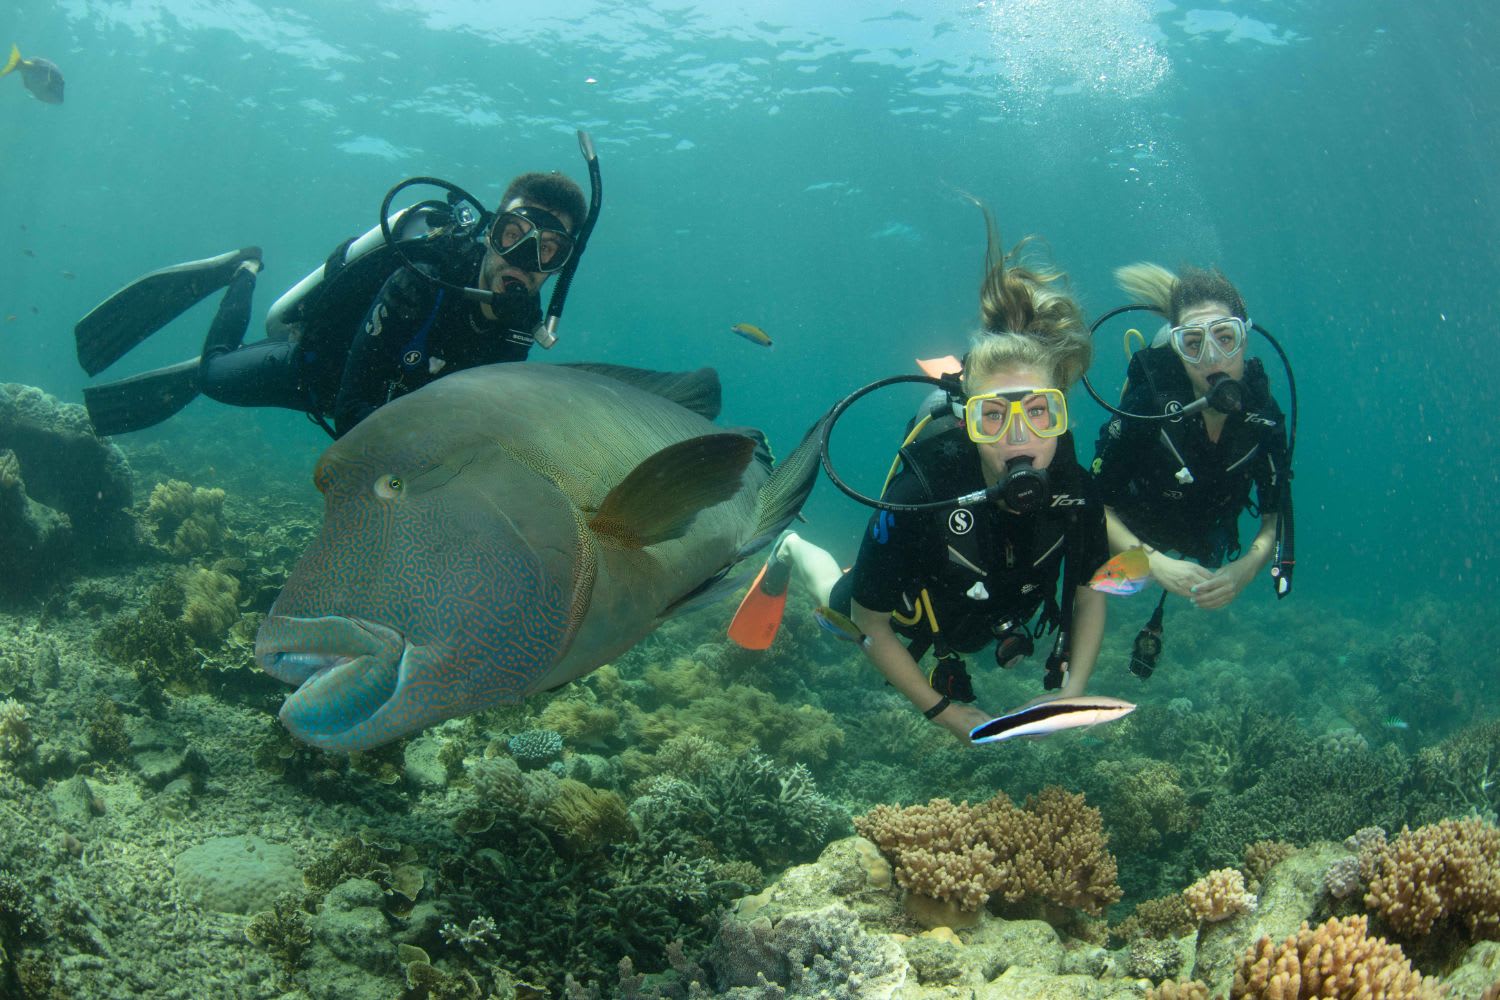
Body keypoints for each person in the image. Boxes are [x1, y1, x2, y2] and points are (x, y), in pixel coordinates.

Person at [731, 224, 1111, 742]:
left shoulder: (1075, 484)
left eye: (1040, 412)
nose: (1019, 436)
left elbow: (1090, 590)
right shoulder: (923, 490)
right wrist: (942, 712)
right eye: (992, 416)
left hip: (994, 609)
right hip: (915, 612)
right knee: (837, 605)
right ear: (968, 423)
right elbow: (870, 622)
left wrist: (1072, 693)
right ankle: (792, 548)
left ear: (1060, 415)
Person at [75, 171, 589, 438]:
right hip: (314, 369)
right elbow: (351, 412)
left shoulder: (522, 328)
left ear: (560, 264)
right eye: (513, 234)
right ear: (489, 231)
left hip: (387, 407)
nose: (522, 259)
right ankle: (242, 270)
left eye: (546, 249)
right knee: (211, 378)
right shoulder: (421, 284)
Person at [1090, 263, 1290, 676]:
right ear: (1177, 350)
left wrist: (1246, 569)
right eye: (1192, 343)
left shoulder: (1264, 417)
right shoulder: (1148, 407)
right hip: (1139, 531)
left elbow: (1275, 515)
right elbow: (1095, 505)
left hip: (1209, 536)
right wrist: (1154, 564)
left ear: (1244, 337)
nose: (1212, 357)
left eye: (1225, 336)